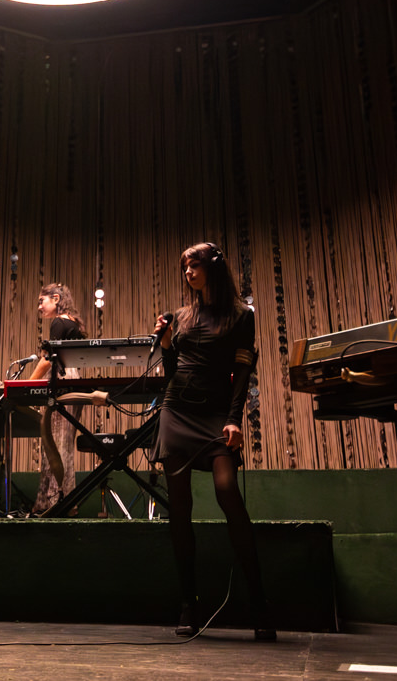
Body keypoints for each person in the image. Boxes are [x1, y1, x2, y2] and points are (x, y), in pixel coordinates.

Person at [152, 242, 273, 642]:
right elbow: (170, 370)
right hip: (176, 411)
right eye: (184, 265)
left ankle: (259, 604)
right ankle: (189, 603)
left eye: (194, 264)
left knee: (227, 492)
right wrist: (167, 343)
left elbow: (242, 371)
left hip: (217, 415)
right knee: (179, 507)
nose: (188, 271)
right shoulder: (182, 316)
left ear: (213, 267)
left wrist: (235, 419)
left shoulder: (242, 315)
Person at [24, 283, 86, 517]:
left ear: (56, 298)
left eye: (42, 301)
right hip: (72, 378)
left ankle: (59, 502)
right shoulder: (72, 322)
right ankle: (53, 502)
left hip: (60, 381)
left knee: (55, 446)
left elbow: (48, 360)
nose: (40, 306)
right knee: (62, 445)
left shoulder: (59, 322)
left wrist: (28, 383)